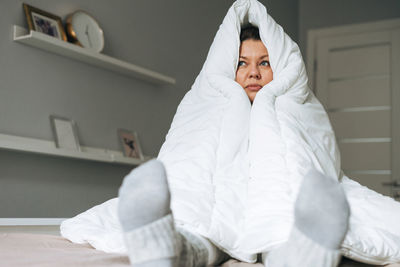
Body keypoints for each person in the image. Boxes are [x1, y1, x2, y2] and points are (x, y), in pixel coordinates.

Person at [117, 24, 351, 267]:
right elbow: (191, 153)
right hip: (220, 206)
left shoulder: (299, 110)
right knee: (206, 235)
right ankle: (164, 248)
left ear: (281, 67)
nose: (253, 73)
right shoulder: (209, 109)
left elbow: (317, 152)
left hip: (271, 208)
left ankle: (302, 252)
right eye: (242, 63)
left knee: (277, 235)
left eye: (264, 63)